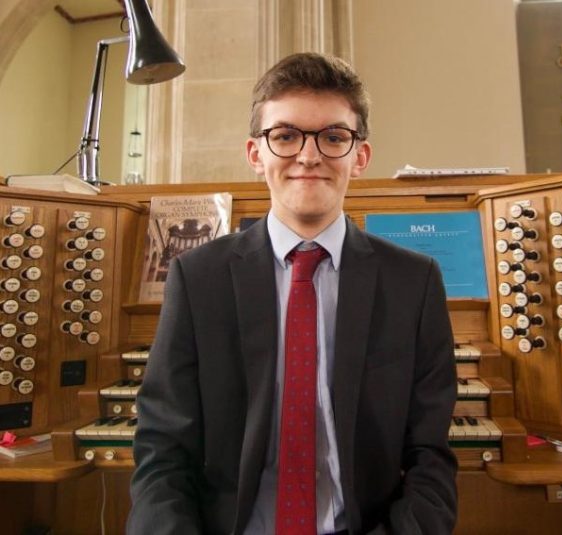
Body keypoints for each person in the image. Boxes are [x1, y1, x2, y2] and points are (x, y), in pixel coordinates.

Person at [128, 52, 458, 534]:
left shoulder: (415, 281)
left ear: (359, 156)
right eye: (284, 136)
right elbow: (162, 452)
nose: (309, 156)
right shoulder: (197, 278)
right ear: (255, 154)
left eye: (333, 137)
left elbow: (431, 459)